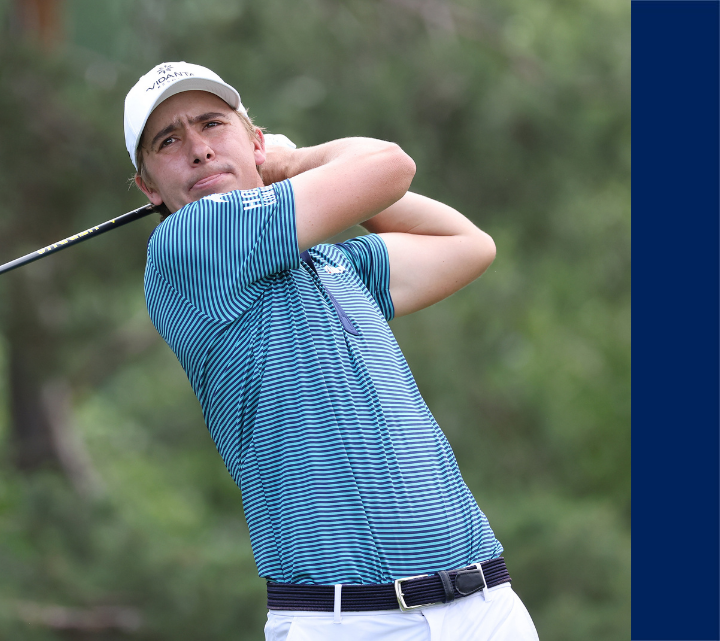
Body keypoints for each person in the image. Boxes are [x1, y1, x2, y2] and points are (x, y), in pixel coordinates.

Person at [125, 62, 539, 640]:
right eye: (169, 141)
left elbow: (467, 245)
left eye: (213, 125)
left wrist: (297, 175)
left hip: (483, 602)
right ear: (149, 188)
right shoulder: (189, 244)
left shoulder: (335, 263)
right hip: (347, 619)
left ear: (253, 141)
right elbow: (389, 165)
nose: (198, 150)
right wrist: (293, 164)